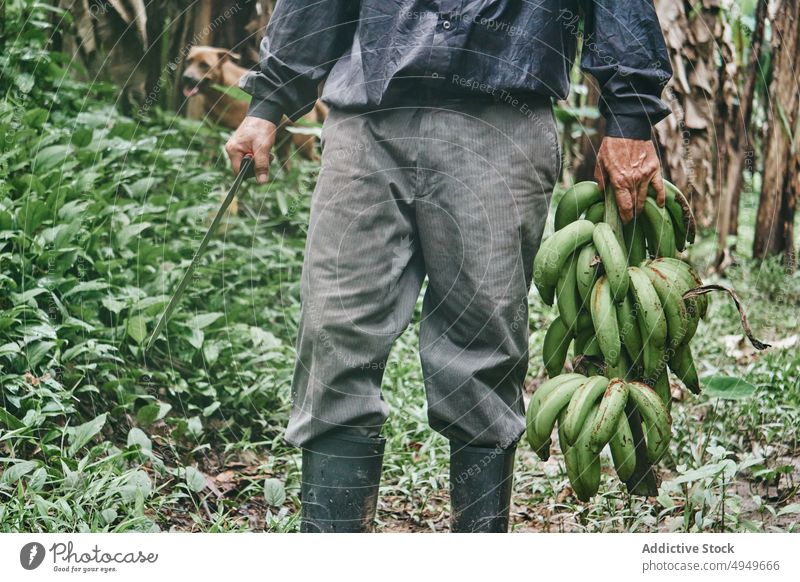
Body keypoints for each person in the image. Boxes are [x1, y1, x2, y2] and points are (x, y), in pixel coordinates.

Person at [225, 0, 672, 533]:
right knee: (332, 332)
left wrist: (631, 116)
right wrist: (269, 102)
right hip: (369, 120)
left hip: (502, 115)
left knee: (483, 346)